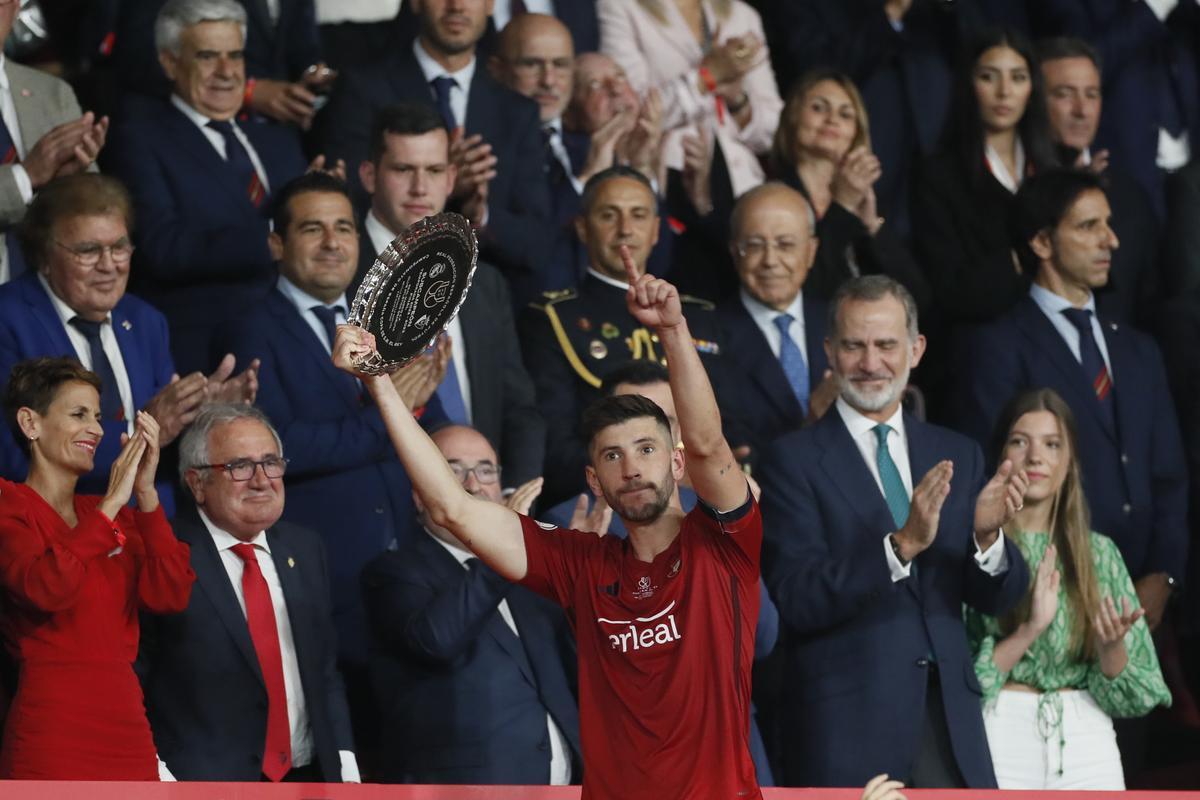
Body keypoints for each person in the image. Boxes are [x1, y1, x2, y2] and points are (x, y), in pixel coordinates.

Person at [333, 247, 762, 799]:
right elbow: (452, 508)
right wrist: (380, 386)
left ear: (676, 462)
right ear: (593, 481)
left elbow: (708, 441)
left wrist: (674, 331)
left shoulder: (725, 543)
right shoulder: (579, 562)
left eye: (646, 449)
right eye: (611, 457)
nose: (630, 468)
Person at [761, 275, 1031, 788]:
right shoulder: (790, 461)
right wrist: (898, 547)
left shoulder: (958, 452)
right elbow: (796, 598)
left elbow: (1000, 599)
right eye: (853, 345)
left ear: (916, 348)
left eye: (886, 344)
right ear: (829, 351)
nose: (870, 363)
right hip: (847, 728)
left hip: (952, 726)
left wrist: (987, 539)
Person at [220, 172, 448, 746]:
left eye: (344, 227)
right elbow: (281, 450)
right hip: (327, 579)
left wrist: (416, 416)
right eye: (312, 228)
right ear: (277, 243)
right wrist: (390, 411)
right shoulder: (248, 327)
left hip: (413, 570)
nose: (332, 242)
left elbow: (431, 425)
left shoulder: (386, 324)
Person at [951, 169, 1188, 633]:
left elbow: (1169, 478)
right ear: (1041, 242)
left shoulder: (1139, 350)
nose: (1111, 241)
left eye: (1109, 223)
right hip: (1046, 604)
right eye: (1088, 227)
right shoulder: (997, 347)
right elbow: (989, 475)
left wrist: (1165, 575)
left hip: (1142, 606)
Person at [537, 358, 779, 786]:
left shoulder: (721, 517)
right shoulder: (573, 525)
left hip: (723, 750)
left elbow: (764, 637)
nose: (635, 456)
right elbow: (556, 664)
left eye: (662, 422)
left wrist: (735, 549)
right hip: (625, 760)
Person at [0, 173, 258, 515]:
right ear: (45, 257)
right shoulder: (9, 319)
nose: (109, 266)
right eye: (88, 250)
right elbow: (14, 457)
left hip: (147, 528)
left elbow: (166, 441)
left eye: (119, 247)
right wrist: (145, 429)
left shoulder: (145, 321)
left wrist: (202, 416)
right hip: (58, 532)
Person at [963, 388, 1170, 789]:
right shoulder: (976, 548)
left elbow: (1141, 694)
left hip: (1086, 739)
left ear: (1070, 459)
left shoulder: (1099, 553)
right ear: (1001, 453)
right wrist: (1030, 630)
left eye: (1052, 444)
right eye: (1020, 441)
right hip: (1001, 734)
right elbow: (961, 685)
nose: (1036, 457)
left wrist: (1111, 651)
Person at [140, 403, 359, 782]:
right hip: (202, 784)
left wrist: (345, 766)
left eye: (271, 462)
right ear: (197, 483)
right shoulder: (162, 553)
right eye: (239, 466)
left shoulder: (305, 548)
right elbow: (134, 677)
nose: (262, 480)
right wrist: (158, 775)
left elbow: (324, 671)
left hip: (309, 776)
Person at [0, 357, 194, 779]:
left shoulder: (113, 514)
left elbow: (171, 593)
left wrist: (144, 493)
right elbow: (46, 587)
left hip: (127, 725)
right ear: (30, 423)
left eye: (99, 417)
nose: (97, 429)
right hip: (51, 727)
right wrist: (110, 505)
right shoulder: (9, 505)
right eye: (78, 414)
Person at [361, 423, 582, 784]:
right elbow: (435, 641)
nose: (473, 484)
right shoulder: (392, 572)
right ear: (419, 492)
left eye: (485, 470)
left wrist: (586, 584)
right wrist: (502, 548)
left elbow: (579, 665)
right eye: (453, 470)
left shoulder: (531, 576)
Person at [104, 0, 309, 374]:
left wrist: (321, 199)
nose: (226, 72)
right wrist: (268, 238)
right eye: (207, 57)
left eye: (234, 56)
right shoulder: (141, 141)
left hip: (298, 341)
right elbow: (162, 247)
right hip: (210, 351)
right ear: (170, 62)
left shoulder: (277, 140)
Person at [357, 103, 545, 487]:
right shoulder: (341, 280)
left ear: (451, 178)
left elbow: (519, 409)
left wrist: (510, 495)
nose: (420, 187)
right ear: (369, 175)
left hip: (483, 505)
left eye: (434, 170)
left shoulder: (485, 283)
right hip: (389, 500)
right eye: (403, 169)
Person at [318, 0, 552, 302]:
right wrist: (438, 180)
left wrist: (479, 214)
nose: (456, 6)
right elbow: (347, 203)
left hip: (485, 307)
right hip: (381, 293)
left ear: (491, 5)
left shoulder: (518, 111)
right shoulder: (361, 89)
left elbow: (536, 245)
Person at [519, 165, 725, 506]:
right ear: (583, 228)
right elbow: (557, 447)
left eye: (639, 215)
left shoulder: (698, 317)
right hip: (607, 504)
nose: (625, 230)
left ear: (657, 230)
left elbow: (728, 425)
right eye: (608, 216)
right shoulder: (553, 318)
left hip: (708, 500)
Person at [757, 0, 970, 237]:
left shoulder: (927, 11)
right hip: (859, 163)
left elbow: (971, 55)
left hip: (930, 157)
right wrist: (891, 12)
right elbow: (816, 73)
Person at [490, 16, 664, 291]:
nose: (548, 81)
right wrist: (584, 181)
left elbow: (662, 261)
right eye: (532, 64)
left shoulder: (590, 146)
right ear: (497, 70)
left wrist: (642, 168)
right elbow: (532, 250)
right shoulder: (488, 148)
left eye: (560, 65)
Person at [912, 26, 1059, 328]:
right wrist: (1021, 259)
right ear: (968, 84)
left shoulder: (1052, 172)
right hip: (975, 338)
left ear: (1033, 88)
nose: (1004, 91)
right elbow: (946, 288)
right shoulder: (937, 175)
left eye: (1018, 77)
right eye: (988, 76)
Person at [769, 70, 930, 312]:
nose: (832, 119)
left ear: (856, 132)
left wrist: (872, 225)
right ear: (792, 116)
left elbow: (916, 298)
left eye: (845, 114)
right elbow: (808, 289)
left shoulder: (863, 200)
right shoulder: (773, 199)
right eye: (818, 108)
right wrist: (841, 207)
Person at [597, 0, 781, 201]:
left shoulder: (741, 15)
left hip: (743, 184)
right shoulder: (619, 6)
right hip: (673, 180)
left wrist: (737, 99)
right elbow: (631, 115)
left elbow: (774, 131)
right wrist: (705, 79)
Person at [1037, 37, 1163, 327]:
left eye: (1091, 94)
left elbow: (1150, 303)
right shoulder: (1012, 192)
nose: (1081, 110)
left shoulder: (1130, 197)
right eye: (1064, 94)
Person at [715, 182, 832, 467]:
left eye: (785, 244)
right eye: (754, 245)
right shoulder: (705, 337)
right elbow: (734, 453)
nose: (770, 261)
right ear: (733, 252)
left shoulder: (842, 325)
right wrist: (812, 423)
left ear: (811, 251)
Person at [0, 0, 108, 284]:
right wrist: (26, 176)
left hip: (47, 302)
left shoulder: (52, 93)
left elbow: (90, 215)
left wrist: (69, 184)